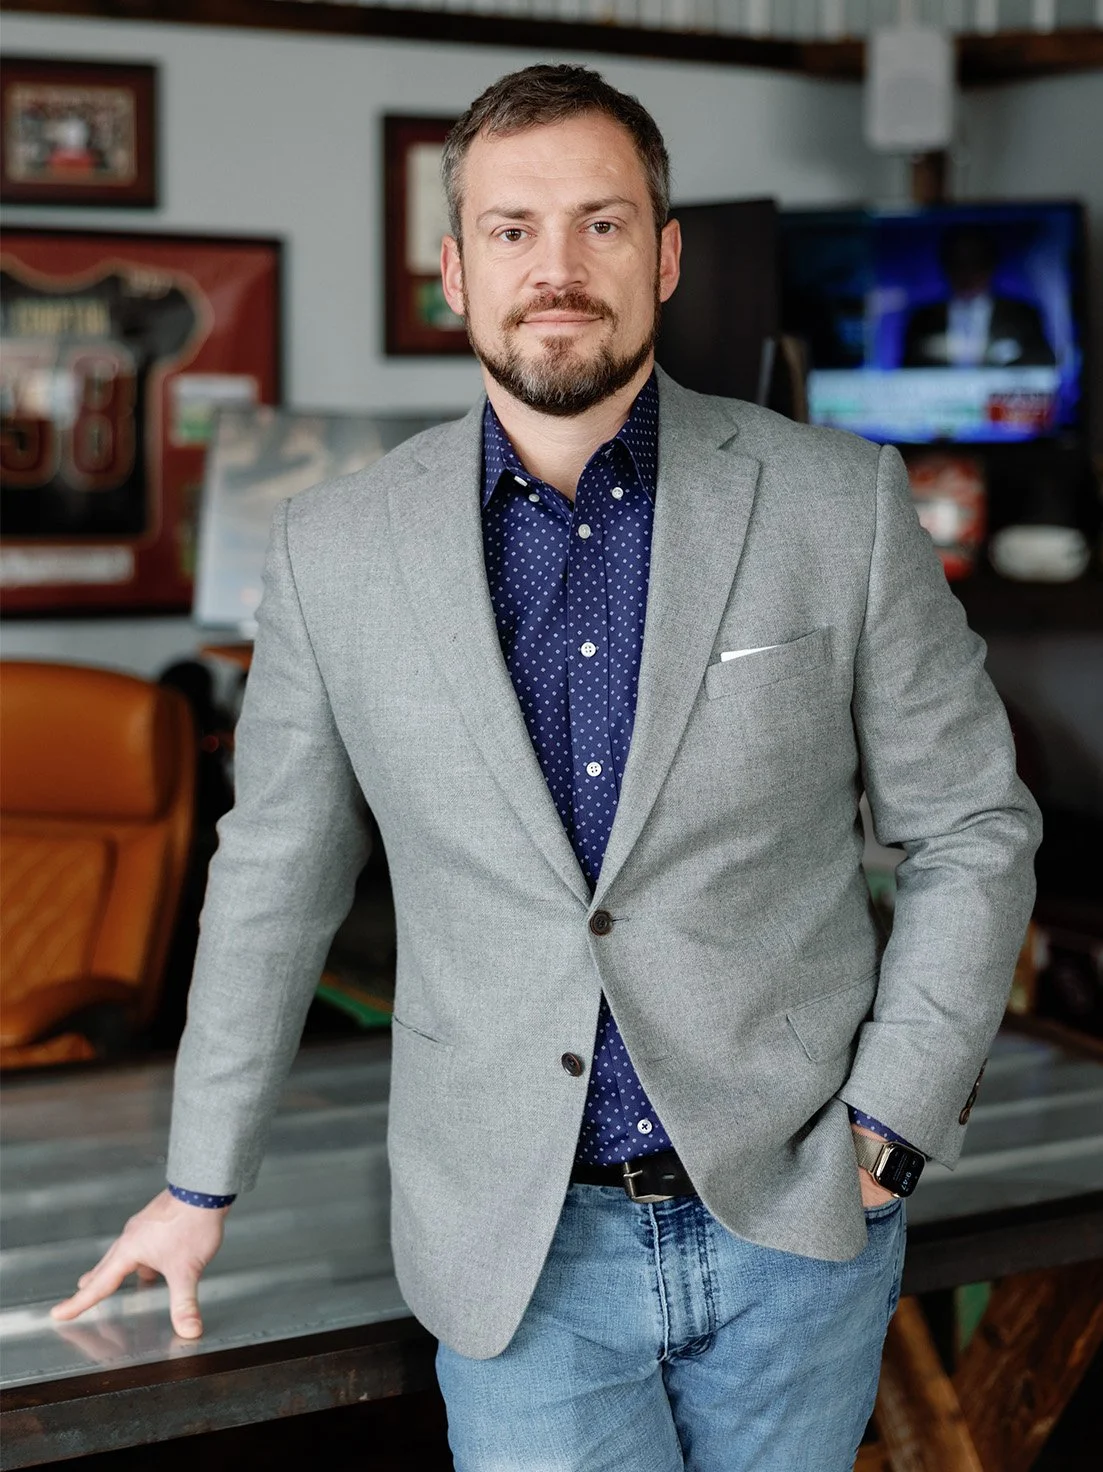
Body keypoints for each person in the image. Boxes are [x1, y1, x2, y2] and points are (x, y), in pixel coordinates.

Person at [53, 66, 1041, 1471]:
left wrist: (889, 1126)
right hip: (514, 1250)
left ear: (664, 256)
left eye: (600, 223)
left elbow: (971, 826)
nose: (556, 269)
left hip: (795, 1223)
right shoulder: (335, 551)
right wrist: (195, 1183)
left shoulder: (837, 504)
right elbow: (273, 874)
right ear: (455, 269)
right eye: (511, 229)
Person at [901, 226, 1055, 369]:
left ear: (991, 264)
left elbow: (1042, 366)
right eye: (958, 262)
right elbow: (908, 374)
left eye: (976, 261)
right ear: (946, 265)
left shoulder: (1023, 315)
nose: (967, 271)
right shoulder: (922, 320)